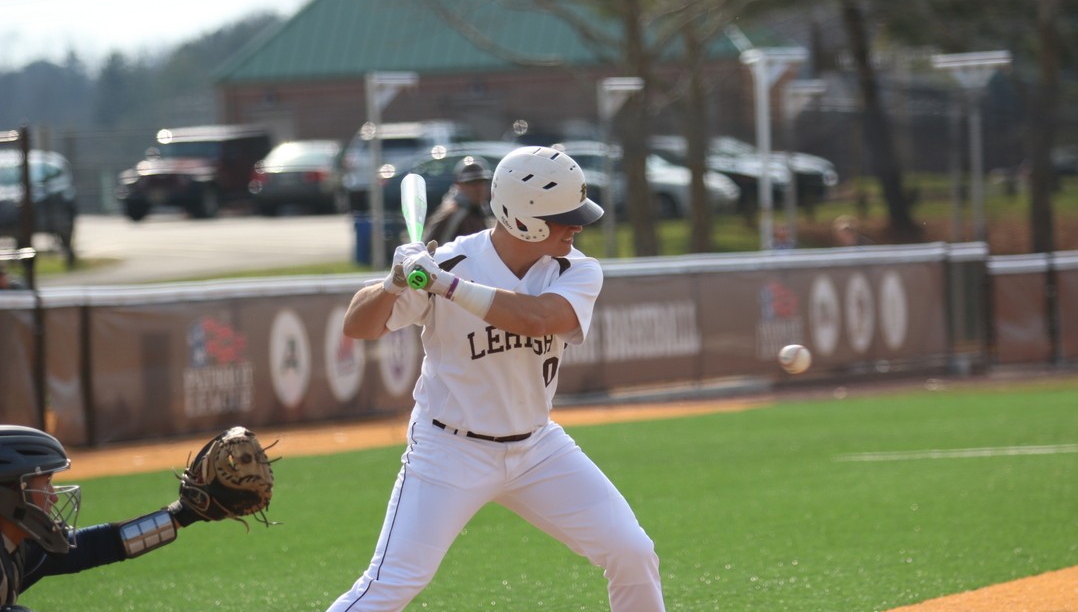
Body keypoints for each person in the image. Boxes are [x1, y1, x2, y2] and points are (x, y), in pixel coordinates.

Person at [333, 146, 665, 611]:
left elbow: (536, 317)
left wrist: (445, 286)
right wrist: (390, 284)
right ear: (525, 217)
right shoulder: (446, 262)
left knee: (632, 552)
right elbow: (358, 326)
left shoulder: (575, 269)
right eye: (564, 217)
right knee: (391, 583)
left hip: (537, 448)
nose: (577, 226)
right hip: (449, 450)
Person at [0, 425, 264, 611]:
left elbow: (97, 546)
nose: (53, 497)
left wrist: (182, 514)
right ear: (9, 492)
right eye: (43, 484)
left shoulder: (17, 547)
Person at [422, 155, 494, 244]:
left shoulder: (480, 210)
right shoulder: (453, 214)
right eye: (472, 184)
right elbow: (433, 251)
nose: (479, 188)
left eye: (482, 182)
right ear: (459, 185)